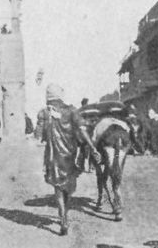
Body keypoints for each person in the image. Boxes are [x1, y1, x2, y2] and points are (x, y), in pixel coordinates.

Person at [37, 83, 101, 235]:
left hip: (53, 156)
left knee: (57, 187)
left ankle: (63, 218)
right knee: (68, 187)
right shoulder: (72, 111)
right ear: (61, 96)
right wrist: (92, 148)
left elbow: (39, 135)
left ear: (48, 97)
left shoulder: (44, 113)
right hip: (70, 155)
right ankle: (65, 213)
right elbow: (82, 131)